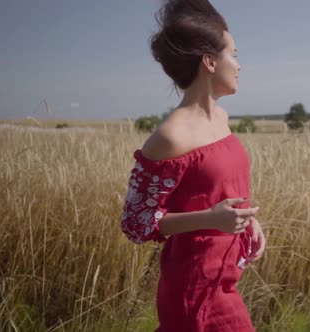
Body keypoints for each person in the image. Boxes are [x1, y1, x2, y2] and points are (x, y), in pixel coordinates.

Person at [119, 0, 265, 331]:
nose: (240, 65)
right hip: (194, 286)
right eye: (235, 54)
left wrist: (246, 223)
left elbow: (218, 190)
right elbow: (135, 223)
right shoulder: (172, 135)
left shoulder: (223, 119)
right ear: (210, 61)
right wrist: (211, 219)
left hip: (226, 276)